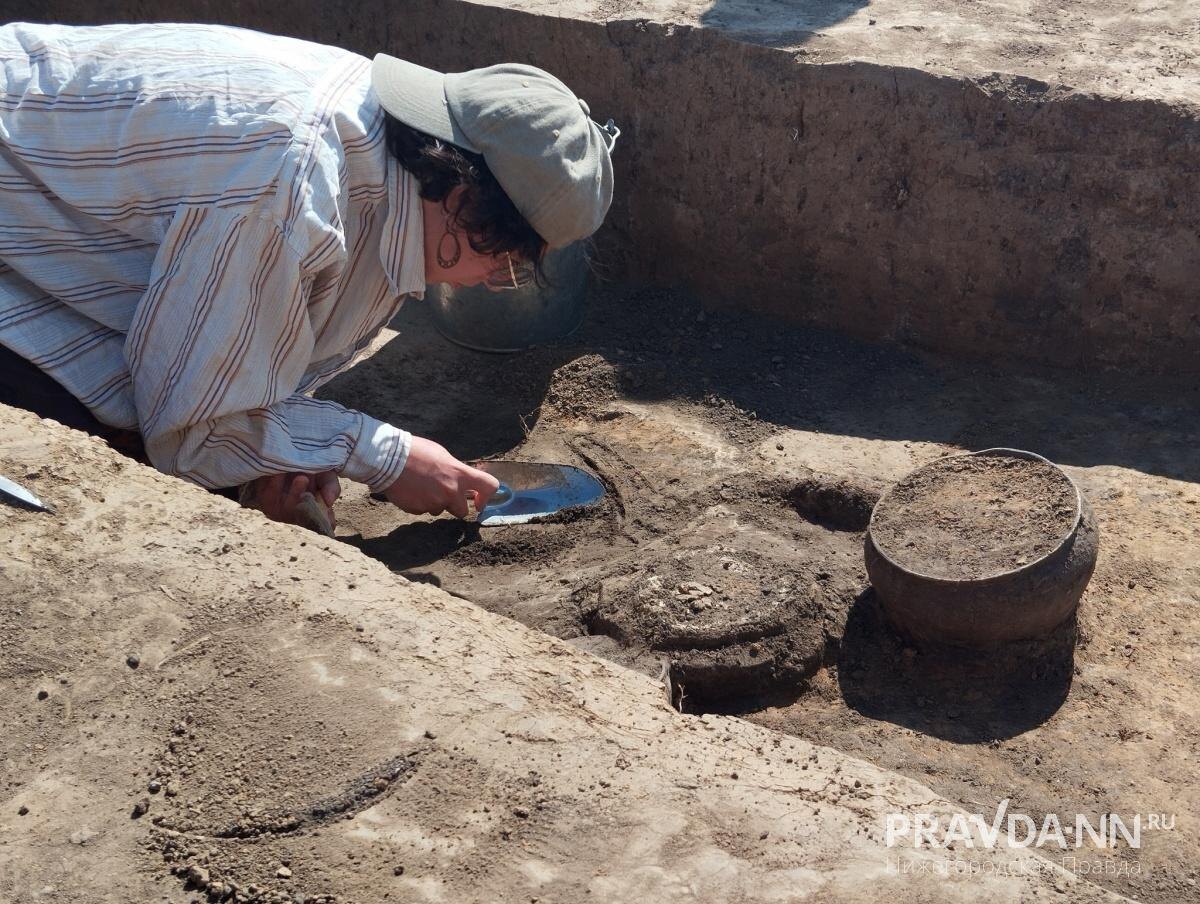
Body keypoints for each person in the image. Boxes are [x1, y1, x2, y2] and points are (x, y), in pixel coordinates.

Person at [0, 22, 618, 527]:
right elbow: (187, 428)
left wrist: (280, 446)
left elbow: (247, 338)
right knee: (113, 475)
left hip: (61, 222)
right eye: (505, 264)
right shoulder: (289, 191)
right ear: (462, 203)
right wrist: (388, 456)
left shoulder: (383, 158)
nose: (492, 282)